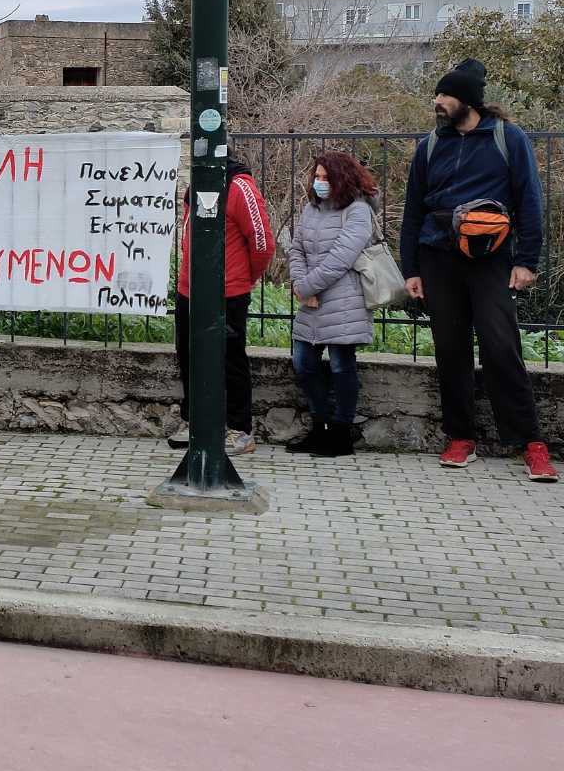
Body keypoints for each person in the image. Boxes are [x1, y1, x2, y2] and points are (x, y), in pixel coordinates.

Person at [402, 58, 557, 482]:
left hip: (492, 259)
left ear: (467, 100)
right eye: (437, 94)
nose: (437, 101)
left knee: (501, 347)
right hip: (438, 257)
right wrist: (410, 268)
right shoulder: (431, 145)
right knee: (449, 350)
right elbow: (414, 209)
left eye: (444, 95)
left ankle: (531, 443)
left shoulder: (509, 139)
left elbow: (529, 200)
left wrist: (527, 260)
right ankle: (459, 436)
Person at [168, 152, 274, 456]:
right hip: (190, 288)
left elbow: (262, 243)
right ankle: (195, 422)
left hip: (229, 291)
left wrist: (243, 278)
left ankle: (239, 429)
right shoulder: (194, 186)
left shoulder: (239, 186)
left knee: (230, 359)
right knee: (188, 354)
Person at [286, 151, 380, 459]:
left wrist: (306, 286)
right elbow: (296, 249)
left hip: (344, 300)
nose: (320, 182)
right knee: (303, 362)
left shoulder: (358, 210)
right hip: (311, 299)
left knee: (341, 365)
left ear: (343, 178)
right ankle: (320, 425)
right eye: (317, 177)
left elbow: (342, 257)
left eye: (327, 177)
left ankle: (341, 433)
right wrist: (302, 286)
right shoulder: (311, 209)